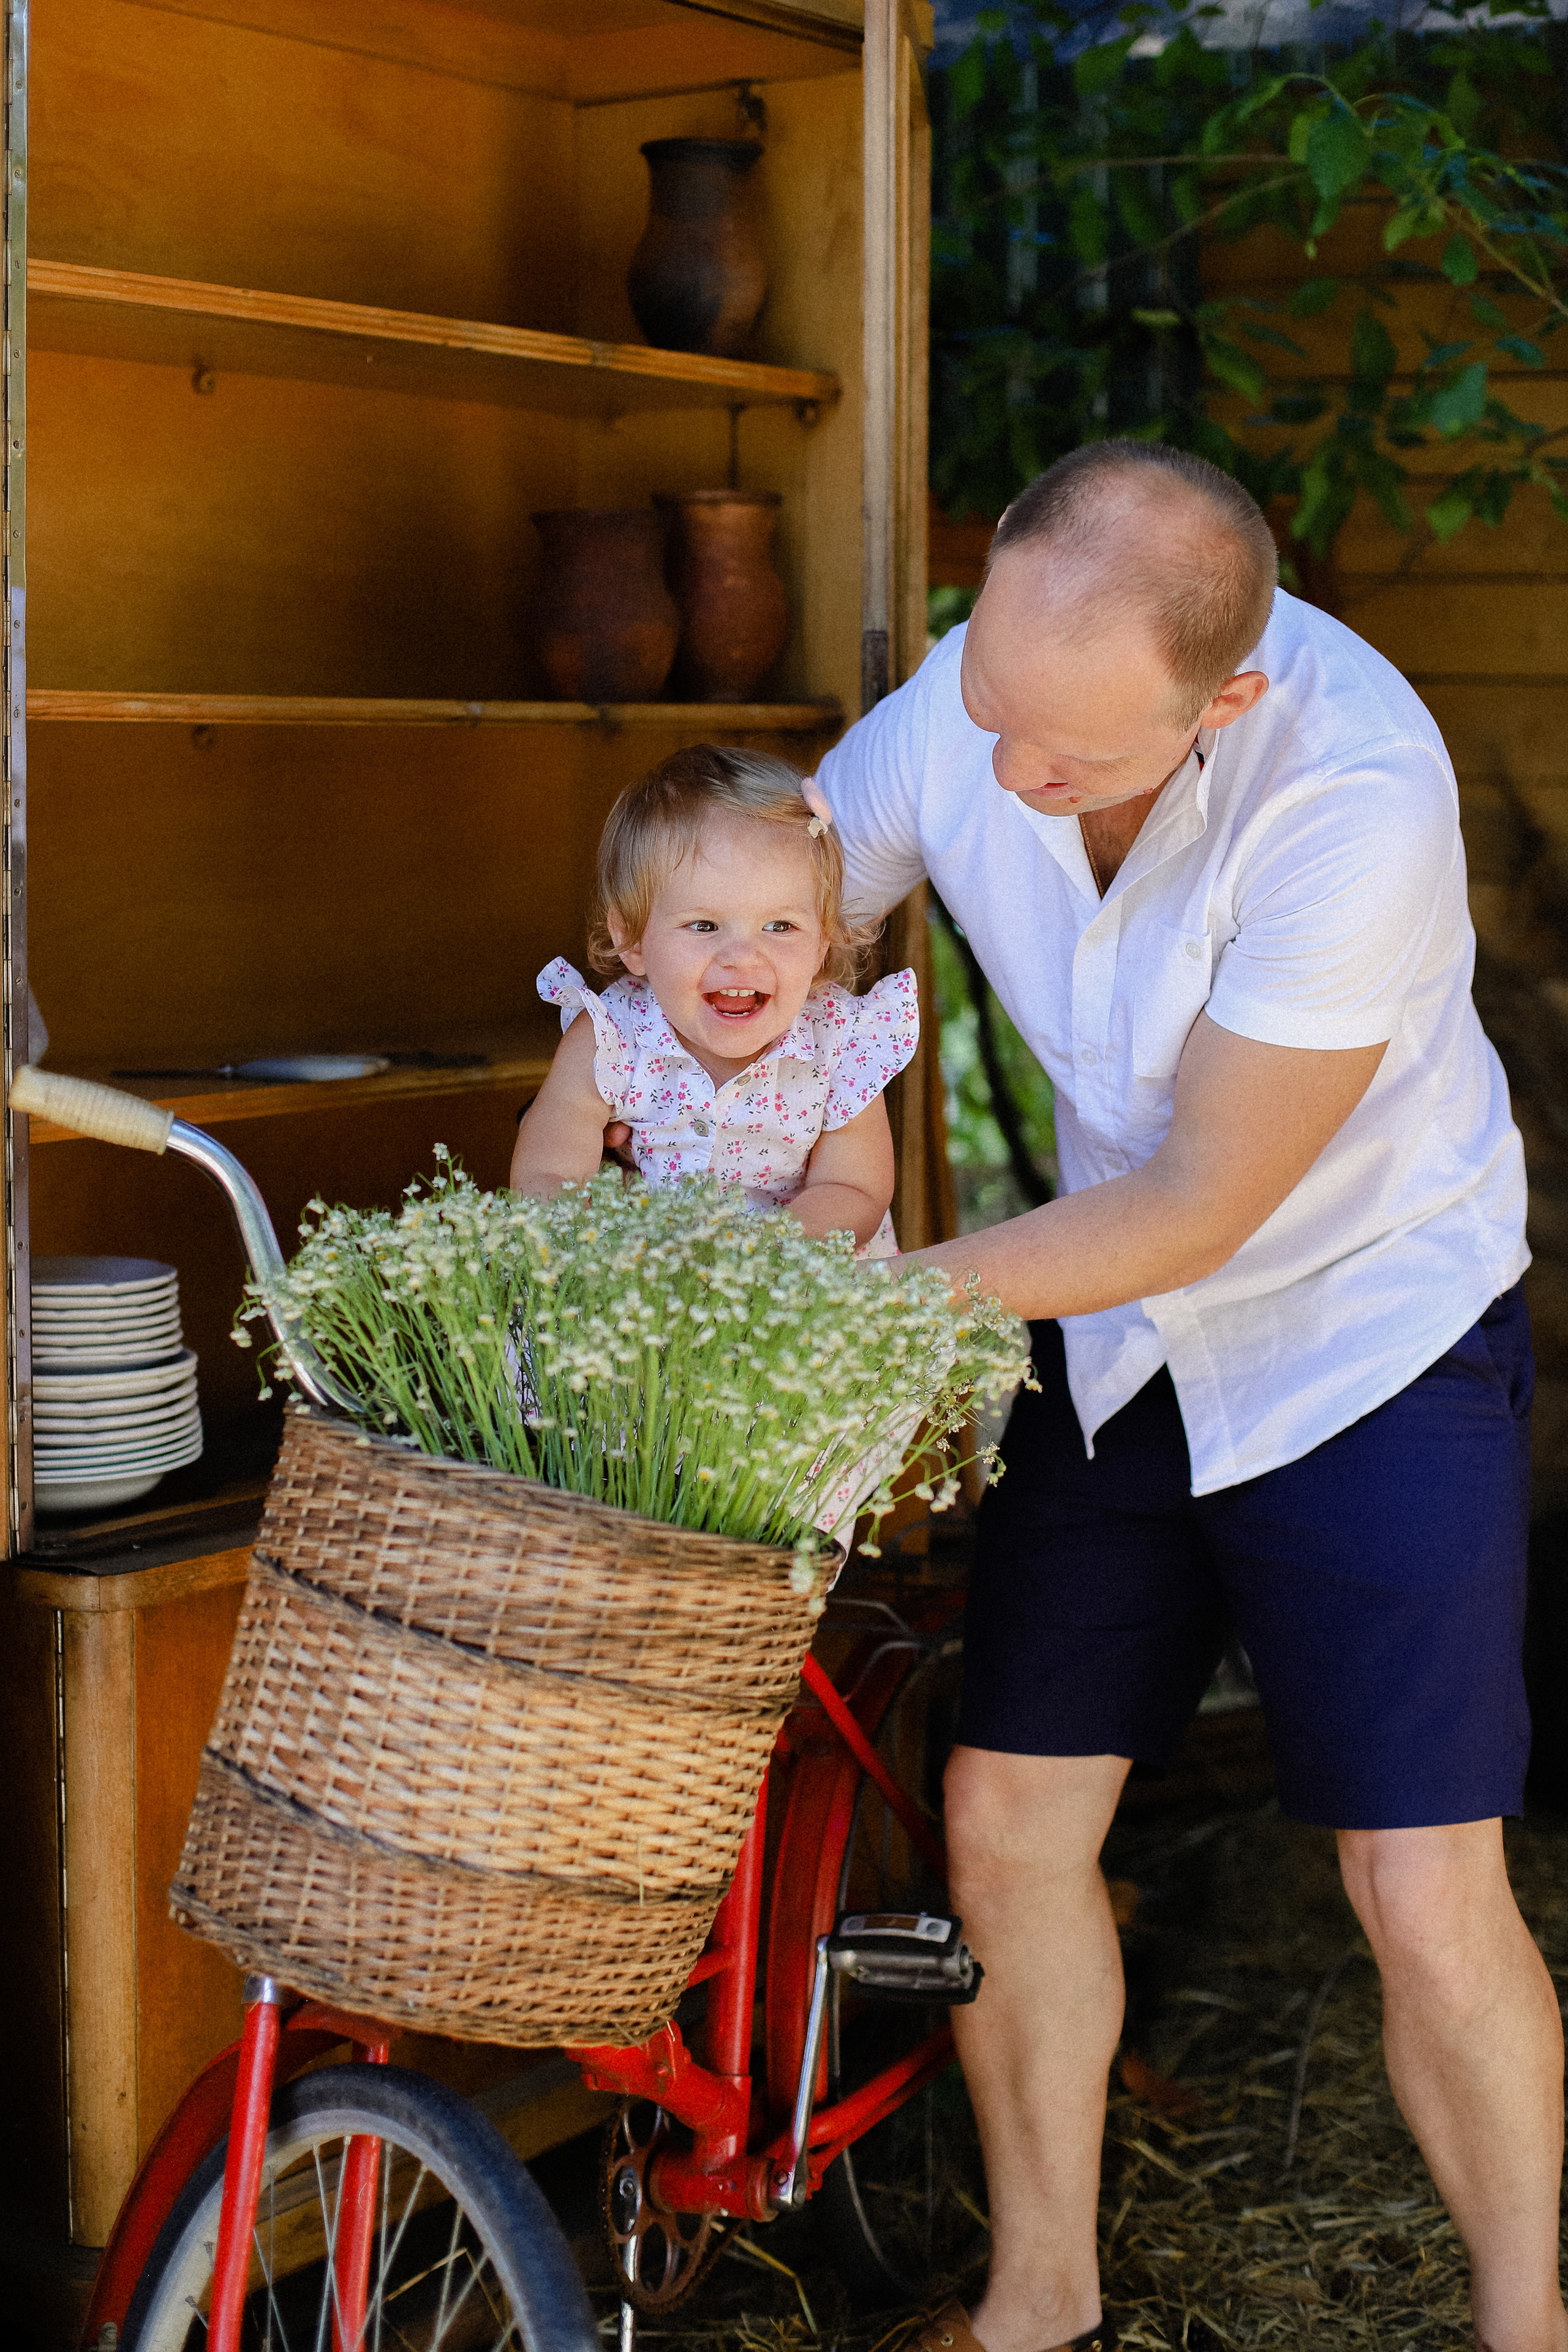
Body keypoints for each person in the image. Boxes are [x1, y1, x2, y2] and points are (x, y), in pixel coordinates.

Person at [813, 440, 1561, 2352]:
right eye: (994, 710)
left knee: (1414, 1877)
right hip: (1120, 1339)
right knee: (1003, 1821)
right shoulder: (986, 702)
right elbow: (788, 926)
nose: (1007, 776)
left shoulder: (1356, 790)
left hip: (1358, 1329)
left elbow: (1198, 1197)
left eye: (1070, 755)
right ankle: (1040, 2296)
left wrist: (860, 1309)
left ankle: (1522, 2315)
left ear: (1224, 696)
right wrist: (796, 1155)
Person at [511, 744, 919, 1261]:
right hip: (653, 1289)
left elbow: (854, 1190)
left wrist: (759, 1261)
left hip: (800, 1290)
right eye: (703, 926)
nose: (742, 958)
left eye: (781, 926)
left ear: (822, 943)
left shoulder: (840, 1045)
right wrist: (600, 1259)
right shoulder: (613, 1036)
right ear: (633, 940)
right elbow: (548, 1170)